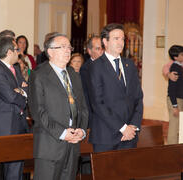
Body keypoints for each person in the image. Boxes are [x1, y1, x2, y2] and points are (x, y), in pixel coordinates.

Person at [28, 33, 88, 180]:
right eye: (63, 47)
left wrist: (81, 130)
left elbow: (82, 107)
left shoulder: (73, 74)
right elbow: (38, 112)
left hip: (73, 144)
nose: (68, 50)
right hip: (50, 145)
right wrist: (62, 133)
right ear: (50, 52)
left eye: (69, 47)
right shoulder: (39, 75)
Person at [87, 23, 143, 153]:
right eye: (116, 39)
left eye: (123, 39)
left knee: (128, 173)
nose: (121, 43)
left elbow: (138, 98)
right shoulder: (95, 67)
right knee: (105, 173)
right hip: (106, 136)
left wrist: (133, 126)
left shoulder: (129, 65)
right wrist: (122, 128)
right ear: (105, 41)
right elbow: (98, 103)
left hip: (129, 136)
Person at [0, 37, 29, 180]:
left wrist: (21, 91)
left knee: (16, 166)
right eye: (17, 49)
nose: (19, 52)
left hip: (19, 121)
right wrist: (21, 92)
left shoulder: (16, 68)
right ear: (9, 51)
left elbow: (27, 89)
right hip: (3, 123)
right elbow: (9, 96)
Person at [166, 45, 183, 144]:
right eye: (182, 54)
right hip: (175, 100)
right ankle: (170, 151)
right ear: (176, 57)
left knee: (180, 127)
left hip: (180, 99)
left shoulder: (180, 66)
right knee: (174, 127)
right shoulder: (175, 68)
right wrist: (175, 106)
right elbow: (171, 89)